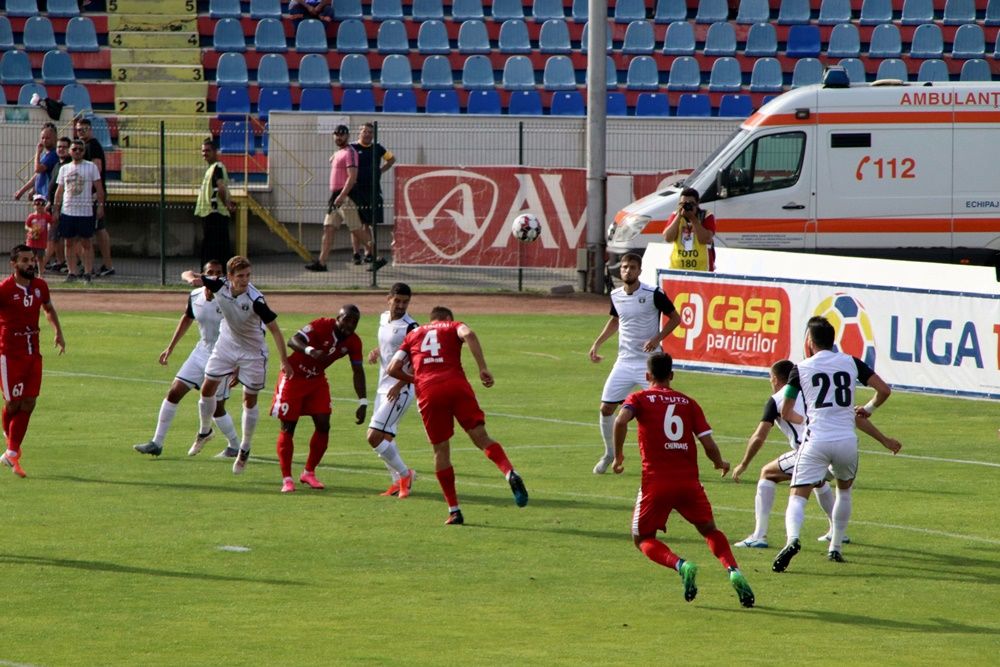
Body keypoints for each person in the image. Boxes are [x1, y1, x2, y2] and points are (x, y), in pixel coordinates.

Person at [612, 352, 754, 608]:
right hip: (689, 483)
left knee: (643, 539)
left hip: (656, 483)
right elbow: (707, 443)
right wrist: (719, 462)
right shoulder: (688, 403)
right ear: (672, 375)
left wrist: (618, 455)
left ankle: (682, 565)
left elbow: (620, 420)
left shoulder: (639, 398)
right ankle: (733, 570)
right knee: (710, 530)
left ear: (647, 375)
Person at [772, 316, 900, 572]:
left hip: (816, 440)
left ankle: (792, 539)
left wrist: (807, 419)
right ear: (833, 340)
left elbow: (785, 411)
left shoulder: (800, 368)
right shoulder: (850, 362)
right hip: (846, 441)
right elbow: (884, 390)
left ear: (810, 341)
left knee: (798, 495)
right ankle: (836, 547)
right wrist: (868, 409)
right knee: (844, 492)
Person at [731, 359, 896, 548]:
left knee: (767, 473)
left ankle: (759, 535)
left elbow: (759, 437)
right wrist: (885, 440)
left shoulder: (777, 399)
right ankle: (837, 532)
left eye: (770, 378)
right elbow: (854, 417)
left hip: (811, 450)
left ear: (775, 379)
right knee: (819, 481)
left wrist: (743, 464)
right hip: (841, 449)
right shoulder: (813, 391)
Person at [387, 306, 528, 525]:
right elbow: (468, 334)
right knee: (481, 437)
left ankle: (454, 510)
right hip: (457, 385)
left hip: (429, 392)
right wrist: (483, 368)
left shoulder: (413, 334)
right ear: (447, 318)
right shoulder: (453, 326)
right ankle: (509, 472)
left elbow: (392, 368)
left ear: (431, 319)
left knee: (441, 450)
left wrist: (418, 379)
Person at [181, 256, 293, 475]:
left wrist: (284, 360)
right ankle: (205, 432)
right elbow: (188, 273)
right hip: (227, 344)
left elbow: (275, 330)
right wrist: (192, 280)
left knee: (248, 400)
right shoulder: (219, 284)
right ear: (230, 276)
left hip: (252, 351)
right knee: (207, 389)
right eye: (240, 276)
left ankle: (245, 448)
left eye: (248, 275)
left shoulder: (256, 299)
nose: (245, 280)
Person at [133, 260, 242, 457]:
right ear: (203, 274)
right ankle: (157, 443)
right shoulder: (195, 296)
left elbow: (240, 332)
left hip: (223, 356)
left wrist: (238, 364)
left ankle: (234, 445)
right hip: (201, 351)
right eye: (210, 272)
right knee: (174, 392)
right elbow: (187, 317)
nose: (214, 275)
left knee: (216, 408)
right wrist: (170, 347)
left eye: (218, 272)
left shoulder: (229, 298)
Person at [589, 252, 682, 474]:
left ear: (639, 270)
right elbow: (615, 320)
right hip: (624, 361)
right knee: (606, 408)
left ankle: (668, 458)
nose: (627, 271)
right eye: (624, 267)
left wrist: (657, 338)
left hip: (649, 363)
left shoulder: (653, 293)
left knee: (661, 410)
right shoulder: (616, 295)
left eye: (632, 267)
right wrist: (597, 344)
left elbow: (676, 318)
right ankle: (610, 453)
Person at [271, 305, 367, 493]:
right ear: (337, 318)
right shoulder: (322, 325)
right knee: (288, 427)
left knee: (324, 424)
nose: (350, 325)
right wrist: (311, 351)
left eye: (354, 322)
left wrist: (363, 401)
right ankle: (287, 479)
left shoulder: (354, 342)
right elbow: (293, 340)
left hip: (316, 380)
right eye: (346, 320)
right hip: (294, 376)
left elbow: (358, 370)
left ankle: (309, 472)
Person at [0, 245, 66, 478]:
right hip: (9, 355)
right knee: (13, 404)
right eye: (25, 260)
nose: (30, 264)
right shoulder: (5, 289)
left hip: (33, 353)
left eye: (32, 260)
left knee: (29, 402)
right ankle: (10, 442)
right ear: (14, 264)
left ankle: (11, 453)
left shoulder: (40, 286)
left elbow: (48, 308)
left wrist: (58, 332)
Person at [365, 282, 417, 498]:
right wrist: (377, 351)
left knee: (373, 436)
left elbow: (416, 360)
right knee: (385, 436)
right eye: (398, 301)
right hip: (382, 387)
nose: (401, 306)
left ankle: (405, 474)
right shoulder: (383, 318)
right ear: (389, 299)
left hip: (400, 389)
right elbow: (392, 346)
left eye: (405, 302)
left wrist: (399, 385)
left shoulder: (411, 327)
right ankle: (396, 482)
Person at [305, 125, 359, 272]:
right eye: (336, 134)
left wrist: (342, 195)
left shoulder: (350, 152)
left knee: (356, 229)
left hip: (345, 196)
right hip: (335, 196)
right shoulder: (339, 152)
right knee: (328, 228)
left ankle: (376, 256)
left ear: (347, 136)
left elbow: (352, 177)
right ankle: (322, 263)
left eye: (342, 134)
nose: (339, 137)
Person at [52, 138, 105, 284]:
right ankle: (72, 272)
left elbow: (99, 188)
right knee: (68, 242)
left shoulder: (91, 167)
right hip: (68, 210)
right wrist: (56, 209)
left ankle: (87, 272)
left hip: (85, 211)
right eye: (74, 149)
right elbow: (59, 191)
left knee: (86, 243)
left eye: (80, 150)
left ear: (84, 152)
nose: (77, 152)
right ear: (70, 151)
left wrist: (101, 206)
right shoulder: (64, 169)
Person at [349, 121, 393, 271]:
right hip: (356, 191)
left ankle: (369, 253)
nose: (367, 134)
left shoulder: (378, 148)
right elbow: (337, 158)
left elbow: (391, 159)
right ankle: (356, 253)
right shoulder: (352, 148)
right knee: (355, 224)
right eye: (365, 132)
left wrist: (381, 170)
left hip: (372, 190)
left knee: (367, 223)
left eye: (370, 132)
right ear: (359, 133)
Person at [75, 117, 115, 277]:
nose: (81, 132)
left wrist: (95, 195)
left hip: (92, 195)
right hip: (85, 195)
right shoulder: (83, 146)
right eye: (78, 130)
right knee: (90, 231)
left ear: (90, 129)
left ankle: (104, 265)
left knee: (96, 230)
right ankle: (89, 265)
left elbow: (96, 171)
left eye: (84, 129)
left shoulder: (93, 146)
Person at [195, 138, 236, 268]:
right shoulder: (211, 169)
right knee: (212, 249)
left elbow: (221, 187)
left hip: (216, 214)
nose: (204, 153)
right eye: (203, 151)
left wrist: (227, 204)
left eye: (207, 150)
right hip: (210, 213)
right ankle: (210, 274)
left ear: (215, 152)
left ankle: (216, 275)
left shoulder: (217, 167)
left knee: (215, 250)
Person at [662, 187, 716, 272]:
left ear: (697, 203)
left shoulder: (706, 216)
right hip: (678, 269)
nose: (687, 206)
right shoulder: (675, 215)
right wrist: (679, 216)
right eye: (682, 204)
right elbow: (668, 238)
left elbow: (705, 239)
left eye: (691, 203)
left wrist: (693, 218)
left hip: (702, 269)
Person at [13, 122, 59, 204]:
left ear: (55, 138)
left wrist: (38, 153)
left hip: (47, 197)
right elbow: (37, 175)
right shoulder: (46, 155)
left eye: (47, 138)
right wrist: (23, 191)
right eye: (42, 138)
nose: (44, 140)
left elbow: (37, 169)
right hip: (40, 196)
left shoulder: (53, 155)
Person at [45, 136, 71, 273]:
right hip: (52, 205)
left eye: (64, 147)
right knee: (55, 237)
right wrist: (49, 201)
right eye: (59, 147)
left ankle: (64, 262)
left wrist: (57, 207)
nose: (61, 149)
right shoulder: (57, 165)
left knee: (58, 236)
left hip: (62, 206)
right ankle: (60, 261)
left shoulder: (69, 165)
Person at [25, 194, 53, 274]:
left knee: (40, 258)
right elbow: (26, 226)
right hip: (31, 241)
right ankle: (29, 272)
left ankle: (41, 274)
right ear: (34, 205)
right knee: (30, 258)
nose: (39, 206)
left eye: (42, 204)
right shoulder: (31, 216)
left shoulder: (46, 216)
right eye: (37, 203)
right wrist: (31, 230)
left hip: (41, 242)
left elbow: (52, 222)